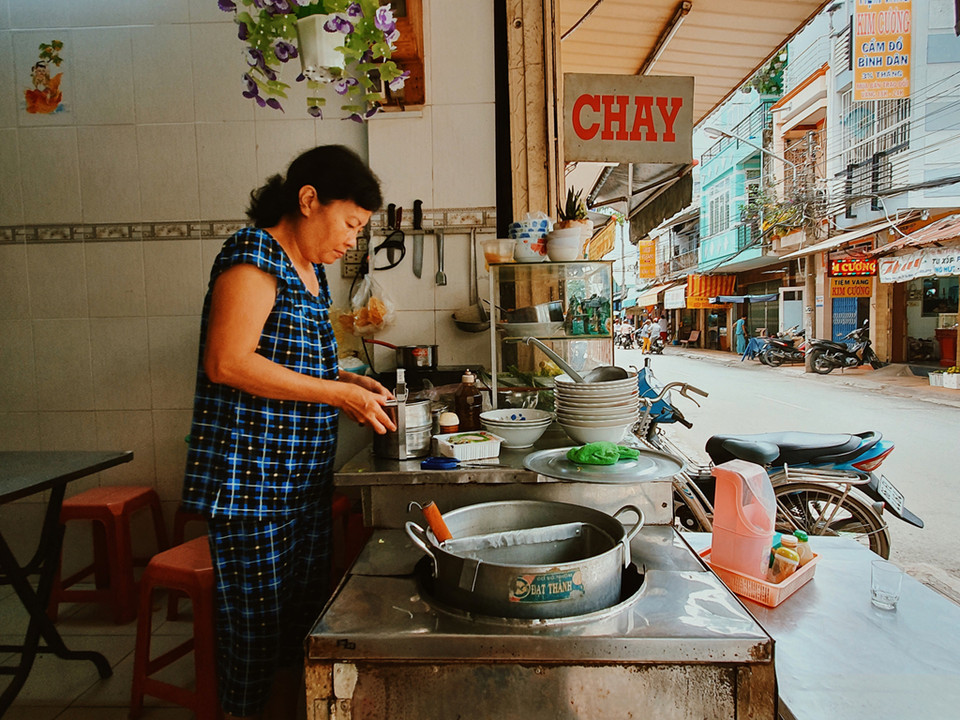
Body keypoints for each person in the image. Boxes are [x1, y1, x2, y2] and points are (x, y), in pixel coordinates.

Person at [182, 145, 396, 720]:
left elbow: (295, 364)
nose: (353, 239)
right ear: (308, 201)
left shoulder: (313, 273)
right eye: (350, 223)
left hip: (298, 482)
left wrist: (352, 382)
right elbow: (227, 362)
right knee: (254, 635)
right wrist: (336, 393)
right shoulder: (254, 256)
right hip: (251, 486)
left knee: (299, 624)